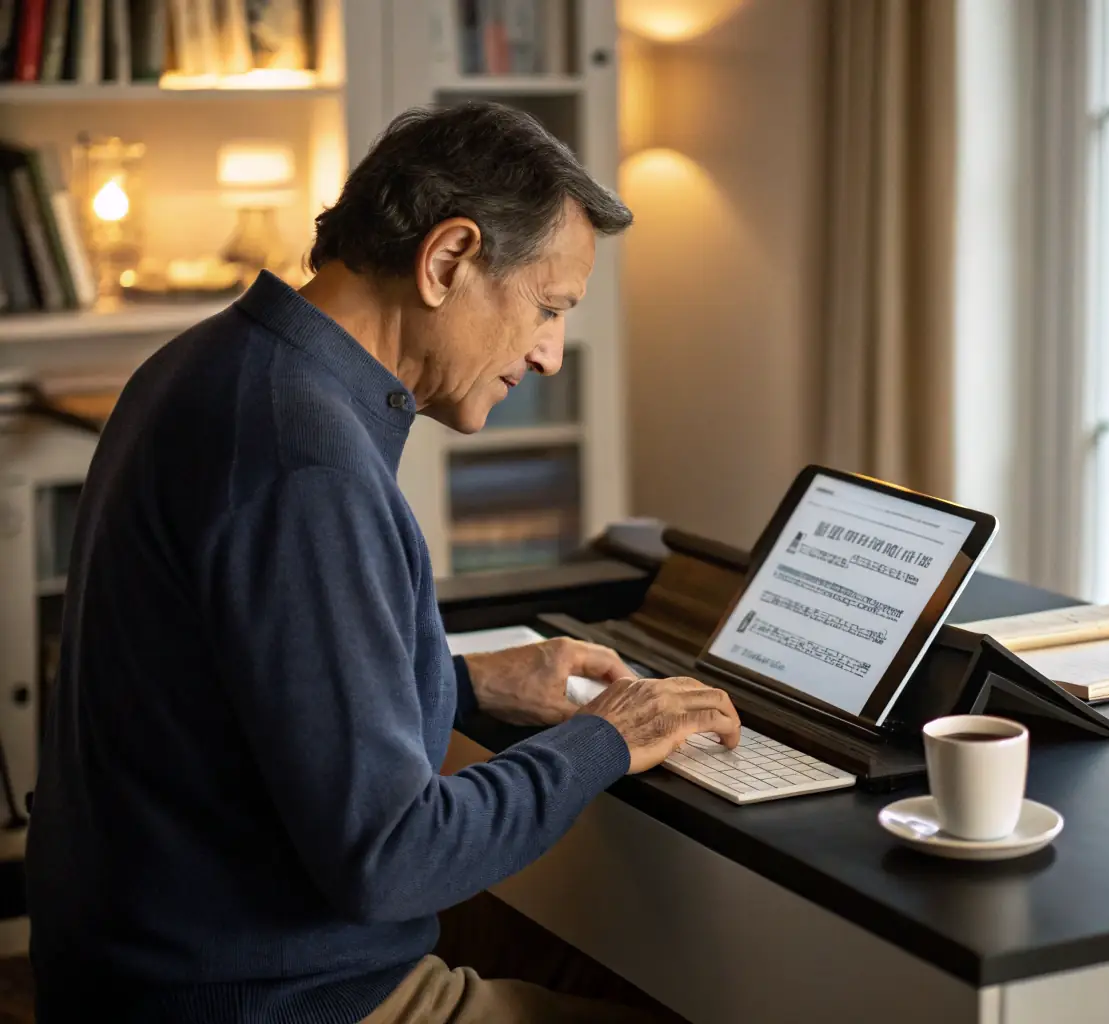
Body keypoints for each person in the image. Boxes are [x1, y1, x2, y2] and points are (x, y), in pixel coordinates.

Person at [26, 101, 741, 1023]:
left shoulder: (212, 363)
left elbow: (244, 678)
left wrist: (459, 680)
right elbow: (393, 857)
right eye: (548, 307)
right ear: (447, 260)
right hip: (266, 998)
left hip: (152, 963)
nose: (550, 354)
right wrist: (607, 733)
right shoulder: (306, 461)